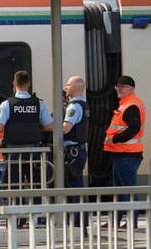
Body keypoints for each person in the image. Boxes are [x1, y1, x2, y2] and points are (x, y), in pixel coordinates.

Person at [0, 70, 53, 226]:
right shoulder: (39, 103)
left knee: (14, 186)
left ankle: (17, 218)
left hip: (13, 153)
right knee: (36, 184)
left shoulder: (7, 104)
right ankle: (37, 218)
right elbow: (49, 126)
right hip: (34, 152)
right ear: (28, 83)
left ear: (14, 84)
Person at [103, 75, 146, 230]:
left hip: (127, 154)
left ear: (131, 89)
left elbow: (134, 128)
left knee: (128, 190)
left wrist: (115, 139)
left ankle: (132, 222)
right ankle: (116, 220)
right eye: (117, 86)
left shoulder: (131, 105)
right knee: (120, 191)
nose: (118, 89)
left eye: (123, 86)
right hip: (121, 154)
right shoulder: (126, 104)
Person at [63, 76, 90, 228]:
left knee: (73, 188)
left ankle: (77, 224)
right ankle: (81, 222)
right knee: (77, 186)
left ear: (76, 87)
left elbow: (66, 128)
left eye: (68, 84)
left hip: (72, 154)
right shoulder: (84, 105)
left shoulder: (73, 107)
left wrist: (51, 127)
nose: (66, 87)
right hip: (79, 151)